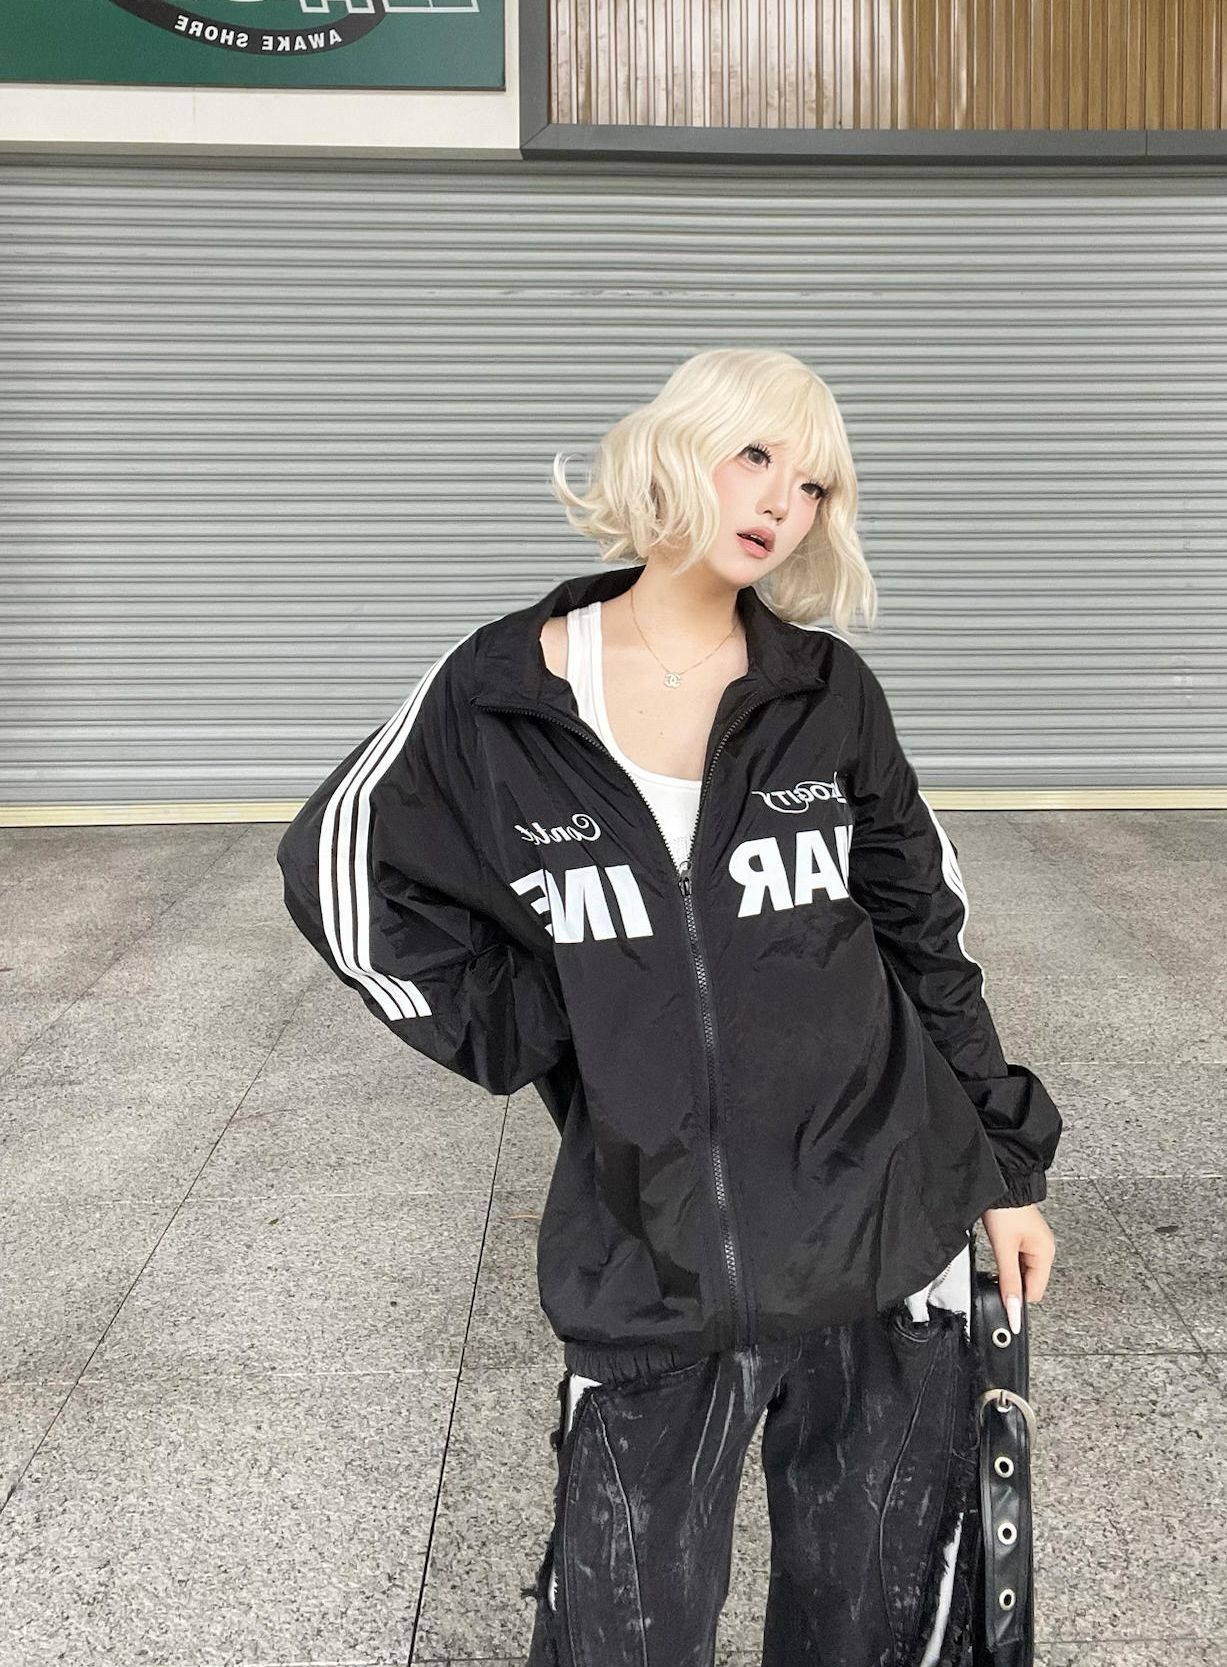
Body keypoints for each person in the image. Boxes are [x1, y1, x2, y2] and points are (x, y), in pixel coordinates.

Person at [275, 348, 1063, 1667]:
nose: (782, 501)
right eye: (755, 455)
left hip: (882, 1221)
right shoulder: (503, 691)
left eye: (814, 483)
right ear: (675, 448)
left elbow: (928, 935)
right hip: (647, 1246)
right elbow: (340, 870)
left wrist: (1006, 1170)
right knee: (619, 1632)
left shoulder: (826, 696)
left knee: (872, 1626)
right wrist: (533, 1014)